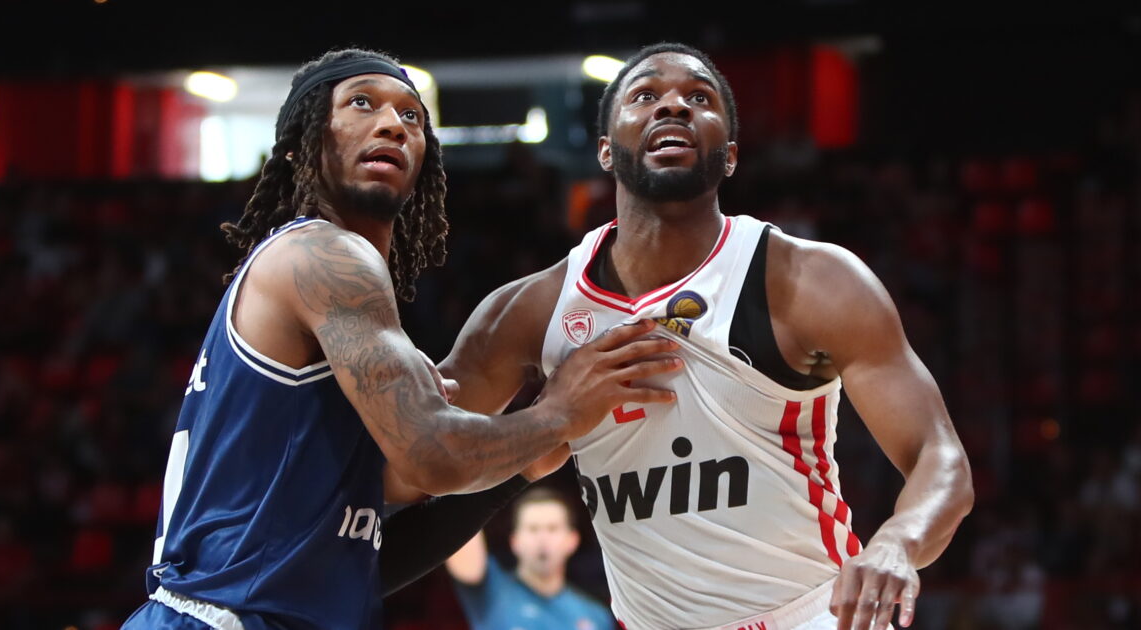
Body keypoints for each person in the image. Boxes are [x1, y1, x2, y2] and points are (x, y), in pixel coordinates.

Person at [121, 48, 682, 630]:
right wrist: (559, 413)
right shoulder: (320, 253)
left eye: (411, 115)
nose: (392, 123)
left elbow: (358, 566)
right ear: (299, 145)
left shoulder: (344, 320)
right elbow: (434, 456)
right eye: (361, 104)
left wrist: (520, 469)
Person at [438, 42, 975, 630]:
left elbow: (939, 456)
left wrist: (897, 541)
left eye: (699, 97)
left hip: (812, 616)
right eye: (645, 95)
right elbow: (426, 459)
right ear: (605, 151)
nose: (673, 106)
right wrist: (545, 421)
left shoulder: (810, 281)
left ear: (731, 155)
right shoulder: (529, 312)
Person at [445, 487, 616, 630]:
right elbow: (457, 519)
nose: (542, 539)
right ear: (515, 541)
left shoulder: (596, 616)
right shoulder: (491, 589)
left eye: (552, 528)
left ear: (572, 540)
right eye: (533, 529)